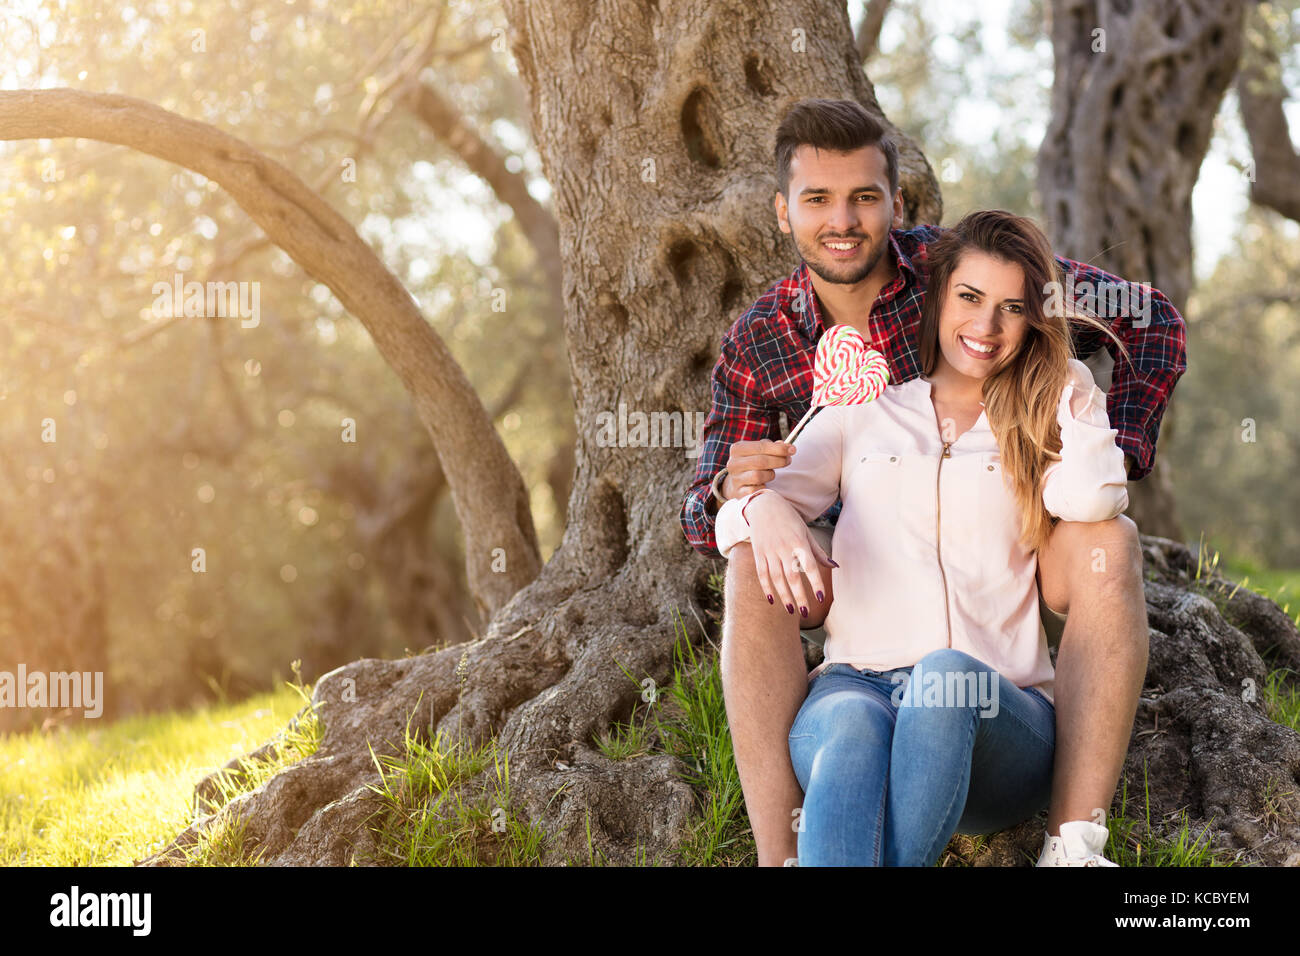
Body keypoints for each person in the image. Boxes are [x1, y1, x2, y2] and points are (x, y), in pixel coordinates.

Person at [680, 98, 1185, 866]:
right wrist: (748, 503)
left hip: (1005, 594)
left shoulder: (961, 266)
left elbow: (1150, 323)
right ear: (783, 213)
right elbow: (716, 488)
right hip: (857, 616)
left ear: (898, 205)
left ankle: (1075, 846)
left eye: (864, 197)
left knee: (1085, 558)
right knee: (777, 608)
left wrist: (1106, 443)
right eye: (818, 199)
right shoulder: (780, 353)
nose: (842, 220)